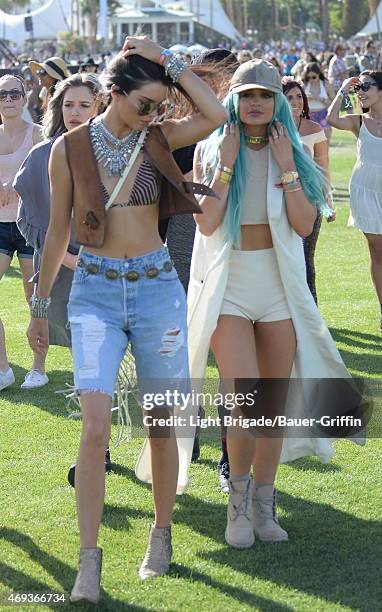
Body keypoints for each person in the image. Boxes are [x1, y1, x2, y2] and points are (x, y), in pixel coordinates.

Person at [27, 36, 227, 603]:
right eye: (145, 104)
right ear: (113, 93)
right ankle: (87, 562)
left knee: (161, 424)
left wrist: (168, 61)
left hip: (158, 290)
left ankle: (160, 533)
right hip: (93, 294)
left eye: (160, 106)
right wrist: (41, 305)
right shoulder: (69, 148)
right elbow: (58, 231)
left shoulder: (159, 137)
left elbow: (212, 113)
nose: (154, 114)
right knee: (94, 427)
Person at [187, 59, 361, 550]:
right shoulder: (212, 148)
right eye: (246, 95)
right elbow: (206, 223)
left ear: (278, 101)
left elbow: (305, 225)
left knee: (272, 408)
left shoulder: (295, 152)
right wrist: (225, 163)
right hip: (230, 288)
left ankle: (265, 501)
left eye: (264, 95)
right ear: (234, 101)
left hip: (279, 288)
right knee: (242, 402)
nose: (256, 103)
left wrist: (287, 167)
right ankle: (237, 503)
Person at [15, 73, 104, 350]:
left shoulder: (115, 154)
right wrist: (67, 257)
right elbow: (28, 219)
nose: (74, 112)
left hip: (108, 266)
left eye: (83, 105)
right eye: (68, 105)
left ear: (99, 107)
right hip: (61, 266)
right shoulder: (42, 154)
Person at [327, 71, 382, 330]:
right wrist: (344, 89)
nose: (361, 91)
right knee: (377, 249)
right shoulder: (359, 118)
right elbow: (332, 118)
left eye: (366, 86)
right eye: (359, 87)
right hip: (365, 190)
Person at [0, 74, 44, 391]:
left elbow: (48, 178)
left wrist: (17, 185)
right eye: (2, 95)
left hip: (29, 223)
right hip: (1, 225)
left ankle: (38, 368)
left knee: (35, 299)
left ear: (24, 98)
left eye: (14, 93)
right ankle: (3, 368)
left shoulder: (38, 134)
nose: (9, 99)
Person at [283, 78, 335, 304]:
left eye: (298, 96)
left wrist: (328, 204)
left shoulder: (314, 128)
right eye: (289, 97)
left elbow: (323, 168)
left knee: (306, 259)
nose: (295, 101)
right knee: (284, 259)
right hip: (281, 200)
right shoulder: (274, 128)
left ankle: (311, 311)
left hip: (311, 201)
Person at [302, 62, 334, 142]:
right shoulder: (305, 84)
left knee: (325, 143)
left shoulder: (325, 84)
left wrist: (318, 98)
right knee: (309, 145)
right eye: (308, 77)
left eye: (313, 77)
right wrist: (305, 99)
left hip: (323, 116)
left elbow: (334, 101)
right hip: (308, 116)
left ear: (319, 74)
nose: (311, 80)